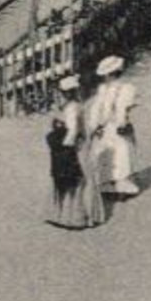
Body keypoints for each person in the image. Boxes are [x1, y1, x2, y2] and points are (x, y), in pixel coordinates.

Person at [46, 74, 106, 229]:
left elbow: (72, 131)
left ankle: (80, 216)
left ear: (65, 93)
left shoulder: (72, 108)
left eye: (61, 92)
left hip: (76, 147)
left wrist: (63, 146)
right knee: (83, 178)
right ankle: (86, 215)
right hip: (80, 145)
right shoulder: (75, 106)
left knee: (79, 179)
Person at [86, 55, 140, 198]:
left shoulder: (126, 88)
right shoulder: (103, 90)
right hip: (106, 127)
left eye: (108, 75)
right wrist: (95, 125)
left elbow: (124, 109)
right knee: (106, 153)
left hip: (116, 126)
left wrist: (122, 123)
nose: (106, 78)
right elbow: (97, 109)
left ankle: (122, 185)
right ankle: (107, 184)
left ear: (113, 73)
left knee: (121, 153)